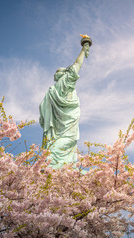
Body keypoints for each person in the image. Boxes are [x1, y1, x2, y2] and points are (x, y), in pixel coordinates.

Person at [39, 37, 90, 169]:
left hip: (65, 128)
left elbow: (76, 65)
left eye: (58, 72)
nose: (56, 75)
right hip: (60, 129)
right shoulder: (55, 89)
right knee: (53, 153)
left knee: (53, 152)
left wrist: (83, 49)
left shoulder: (63, 84)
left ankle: (61, 172)